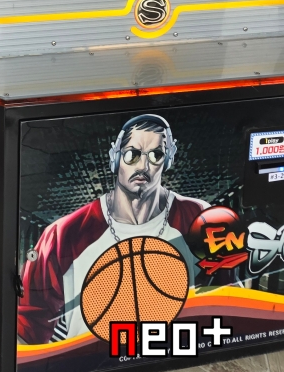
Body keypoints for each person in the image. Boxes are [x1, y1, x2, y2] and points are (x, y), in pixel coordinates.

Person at [18, 114, 208, 344]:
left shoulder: (200, 217)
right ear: (115, 157)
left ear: (168, 159)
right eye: (132, 154)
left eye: (156, 155)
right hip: (91, 360)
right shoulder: (63, 234)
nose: (143, 166)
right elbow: (27, 325)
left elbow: (225, 295)